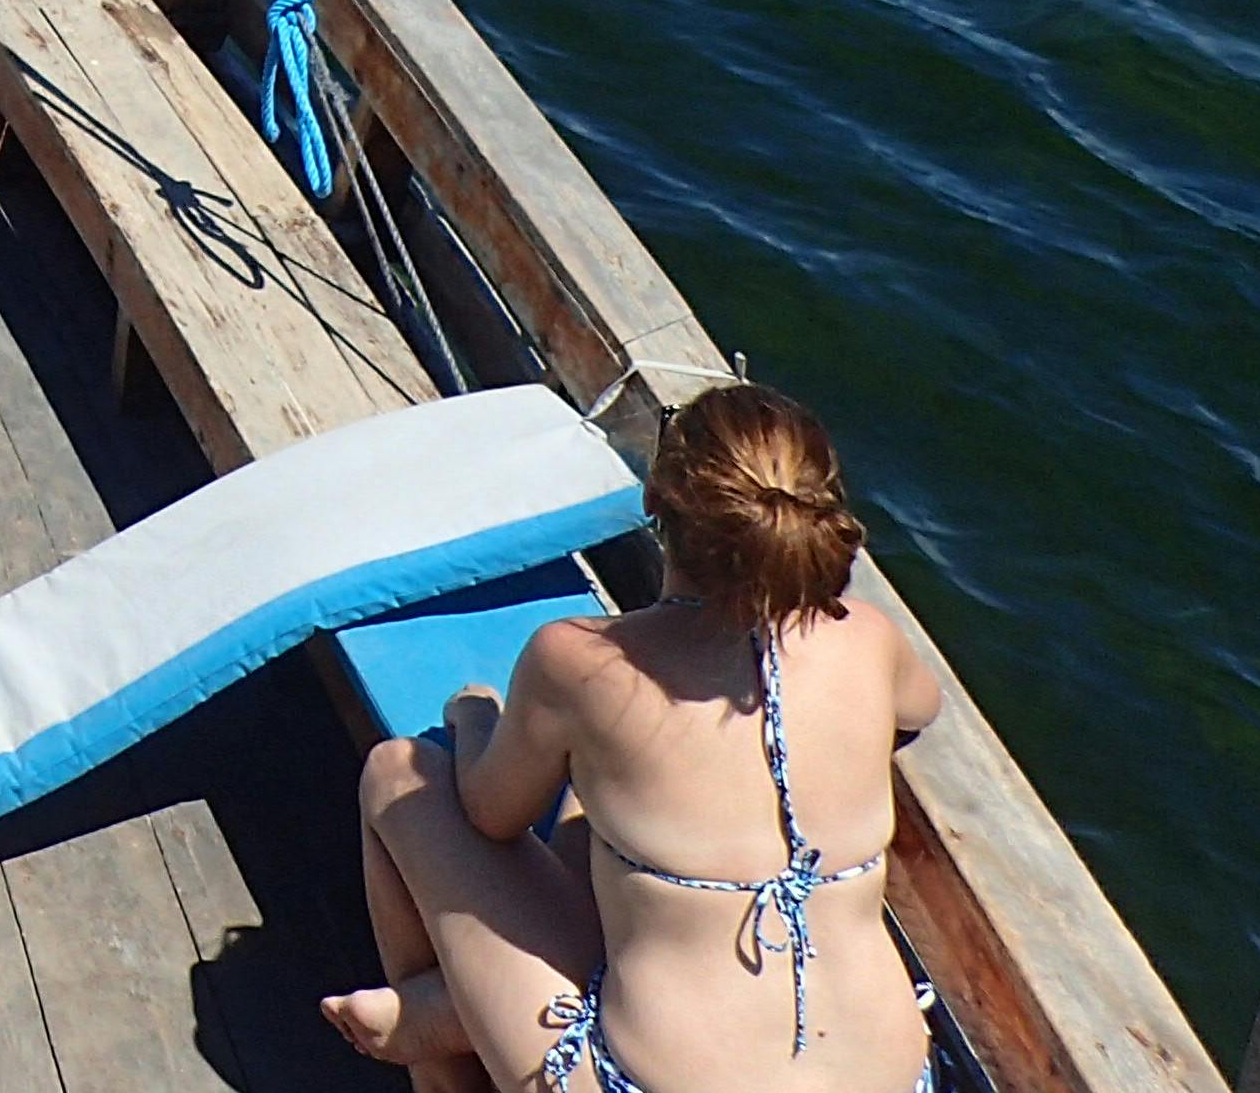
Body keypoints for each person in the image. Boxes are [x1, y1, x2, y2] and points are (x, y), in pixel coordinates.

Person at [324, 386, 944, 1093]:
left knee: (398, 774)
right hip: (896, 1080)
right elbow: (918, 710)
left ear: (655, 502)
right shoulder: (866, 637)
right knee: (600, 835)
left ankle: (440, 1054)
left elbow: (489, 815)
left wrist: (473, 719)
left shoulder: (584, 662)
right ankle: (443, 1014)